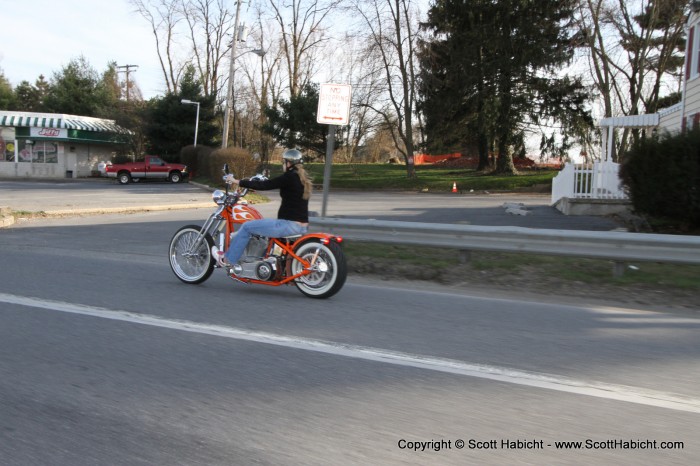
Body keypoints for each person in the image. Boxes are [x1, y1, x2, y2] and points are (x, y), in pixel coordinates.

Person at [211, 148, 312, 267]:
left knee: (247, 227)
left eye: (283, 162)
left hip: (287, 225)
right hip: (301, 227)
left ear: (288, 163)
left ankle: (227, 260)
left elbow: (265, 185)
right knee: (258, 228)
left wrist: (236, 181)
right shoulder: (302, 179)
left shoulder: (289, 177)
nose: (283, 165)